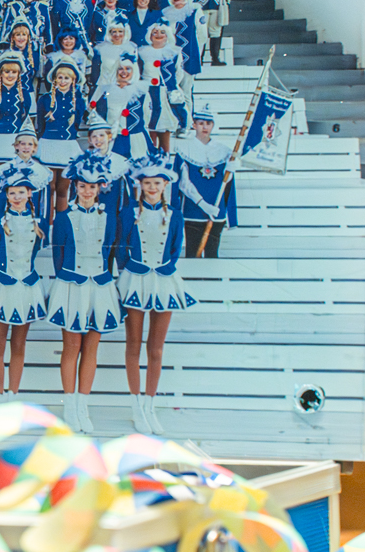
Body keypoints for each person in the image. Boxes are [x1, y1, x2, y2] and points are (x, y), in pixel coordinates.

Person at [118, 152, 196, 435]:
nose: (152, 188)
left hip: (163, 281)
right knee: (133, 345)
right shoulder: (128, 212)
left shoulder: (175, 215)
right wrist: (130, 272)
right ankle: (136, 405)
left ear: (165, 185)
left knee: (156, 348)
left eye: (157, 183)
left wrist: (163, 269)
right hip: (136, 279)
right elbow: (121, 247)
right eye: (147, 183)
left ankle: (151, 405)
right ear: (140, 185)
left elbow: (175, 249)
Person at [46, 152, 122, 433]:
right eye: (82, 186)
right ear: (75, 187)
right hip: (72, 287)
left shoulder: (108, 217)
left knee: (92, 348)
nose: (87, 191)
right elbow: (59, 257)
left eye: (92, 186)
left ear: (100, 187)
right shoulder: (64, 218)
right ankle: (69, 406)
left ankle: (83, 405)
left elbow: (110, 252)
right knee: (72, 347)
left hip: (100, 287)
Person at [0, 166, 50, 395]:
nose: (16, 197)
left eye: (21, 192)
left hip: (27, 286)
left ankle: (14, 393)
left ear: (29, 193)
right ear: (5, 195)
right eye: (11, 193)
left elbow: (35, 253)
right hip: (2, 286)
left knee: (19, 344)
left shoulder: (40, 223)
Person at [176, 103, 238, 257]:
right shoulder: (184, 149)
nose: (204, 127)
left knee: (212, 253)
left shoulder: (224, 151)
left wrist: (232, 168)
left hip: (216, 210)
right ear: (194, 125)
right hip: (193, 209)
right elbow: (183, 184)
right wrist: (202, 204)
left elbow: (227, 184)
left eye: (208, 124)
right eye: (201, 123)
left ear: (213, 126)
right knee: (192, 252)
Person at [36, 58, 89, 211]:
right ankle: (48, 222)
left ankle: (61, 222)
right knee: (49, 187)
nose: (63, 81)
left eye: (67, 77)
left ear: (73, 80)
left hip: (67, 146)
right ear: (54, 79)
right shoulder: (45, 99)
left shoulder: (79, 101)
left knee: (63, 188)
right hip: (48, 145)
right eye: (60, 77)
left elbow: (77, 123)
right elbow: (40, 123)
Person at [0, 51, 35, 171]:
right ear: (0, 74)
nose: (10, 75)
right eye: (6, 72)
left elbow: (23, 118)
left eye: (14, 72)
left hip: (14, 142)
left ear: (19, 74)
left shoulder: (24, 94)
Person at [140, 23, 188, 152]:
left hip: (165, 93)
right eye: (155, 32)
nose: (158, 35)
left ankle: (164, 159)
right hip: (149, 94)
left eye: (162, 32)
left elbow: (179, 73)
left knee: (164, 126)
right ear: (149, 36)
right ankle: (150, 157)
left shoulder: (174, 53)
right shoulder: (142, 52)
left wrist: (170, 86)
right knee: (149, 125)